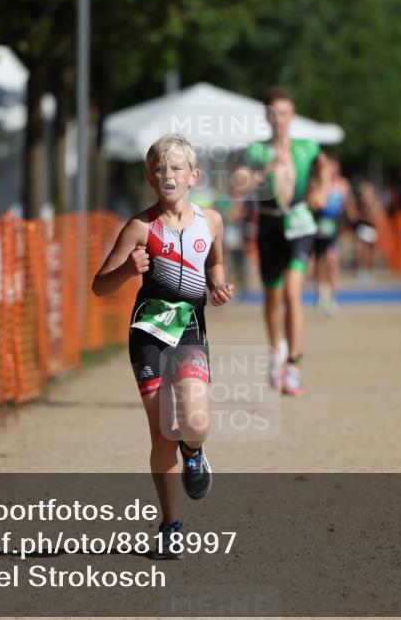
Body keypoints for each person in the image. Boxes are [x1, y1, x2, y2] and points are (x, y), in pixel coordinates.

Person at [92, 134, 233, 559]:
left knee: (193, 422)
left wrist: (218, 285)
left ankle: (196, 451)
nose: (166, 175)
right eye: (158, 169)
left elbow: (215, 260)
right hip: (148, 334)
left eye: (175, 168)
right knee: (160, 433)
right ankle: (171, 524)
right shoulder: (139, 227)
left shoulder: (211, 222)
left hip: (189, 327)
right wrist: (127, 272)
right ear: (150, 179)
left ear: (194, 176)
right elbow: (100, 286)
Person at [231, 86, 325, 395]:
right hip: (269, 225)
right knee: (272, 296)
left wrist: (320, 190)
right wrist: (265, 169)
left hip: (300, 224)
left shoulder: (307, 147)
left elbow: (324, 166)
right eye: (274, 114)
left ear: (293, 116)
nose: (280, 120)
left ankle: (294, 364)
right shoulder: (257, 151)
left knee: (292, 294)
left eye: (285, 114)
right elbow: (237, 186)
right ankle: (276, 353)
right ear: (267, 118)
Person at [312, 155, 355, 315]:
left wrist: (351, 218)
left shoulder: (343, 185)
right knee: (319, 261)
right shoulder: (320, 183)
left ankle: (333, 295)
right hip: (319, 224)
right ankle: (319, 293)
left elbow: (348, 204)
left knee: (332, 260)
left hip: (334, 225)